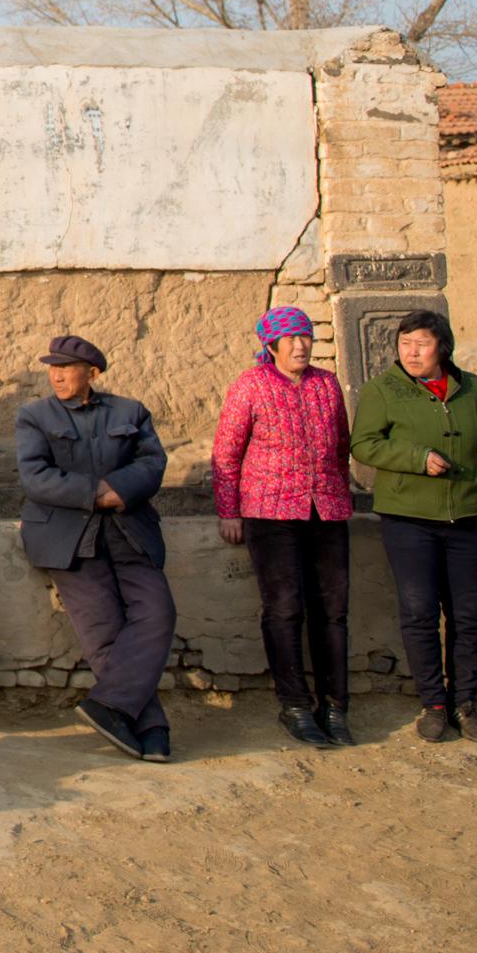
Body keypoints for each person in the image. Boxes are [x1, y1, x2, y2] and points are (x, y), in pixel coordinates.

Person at [350, 309, 477, 743]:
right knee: (420, 612)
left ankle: (465, 704)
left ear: (442, 347)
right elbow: (364, 444)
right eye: (405, 344)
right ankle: (434, 704)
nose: (411, 352)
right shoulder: (383, 390)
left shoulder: (472, 389)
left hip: (466, 518)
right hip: (408, 520)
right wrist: (417, 459)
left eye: (420, 344)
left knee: (468, 614)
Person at [15, 336, 177, 762]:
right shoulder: (34, 416)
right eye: (53, 367)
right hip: (68, 538)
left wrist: (118, 490)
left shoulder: (130, 411)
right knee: (103, 633)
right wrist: (95, 493)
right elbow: (36, 477)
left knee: (158, 614)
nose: (57, 375)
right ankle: (152, 725)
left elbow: (152, 464)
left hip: (130, 532)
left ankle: (107, 706)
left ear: (93, 373)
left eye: (67, 367)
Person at [211, 306, 356, 748]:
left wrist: (338, 489)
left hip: (326, 510)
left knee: (332, 609)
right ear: (271, 345)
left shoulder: (326, 384)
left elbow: (342, 444)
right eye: (290, 338)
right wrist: (228, 510)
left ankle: (334, 707)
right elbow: (226, 453)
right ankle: (294, 705)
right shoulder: (250, 386)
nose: (300, 345)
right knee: (285, 607)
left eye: (306, 336)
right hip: (270, 512)